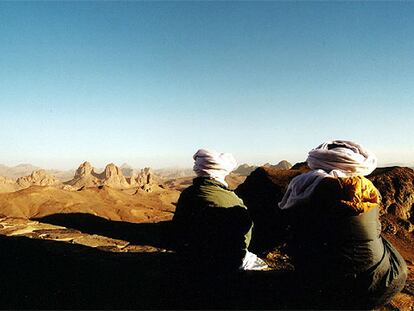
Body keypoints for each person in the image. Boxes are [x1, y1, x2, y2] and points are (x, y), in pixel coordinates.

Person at [278, 140, 407, 309]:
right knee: (377, 238)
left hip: (330, 288)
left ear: (319, 160)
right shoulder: (368, 189)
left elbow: (292, 230)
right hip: (384, 283)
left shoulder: (304, 187)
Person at [172, 149, 268, 271]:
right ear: (223, 172)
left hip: (192, 259)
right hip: (228, 261)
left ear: (199, 169)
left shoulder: (187, 194)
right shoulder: (232, 199)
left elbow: (178, 228)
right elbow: (246, 235)